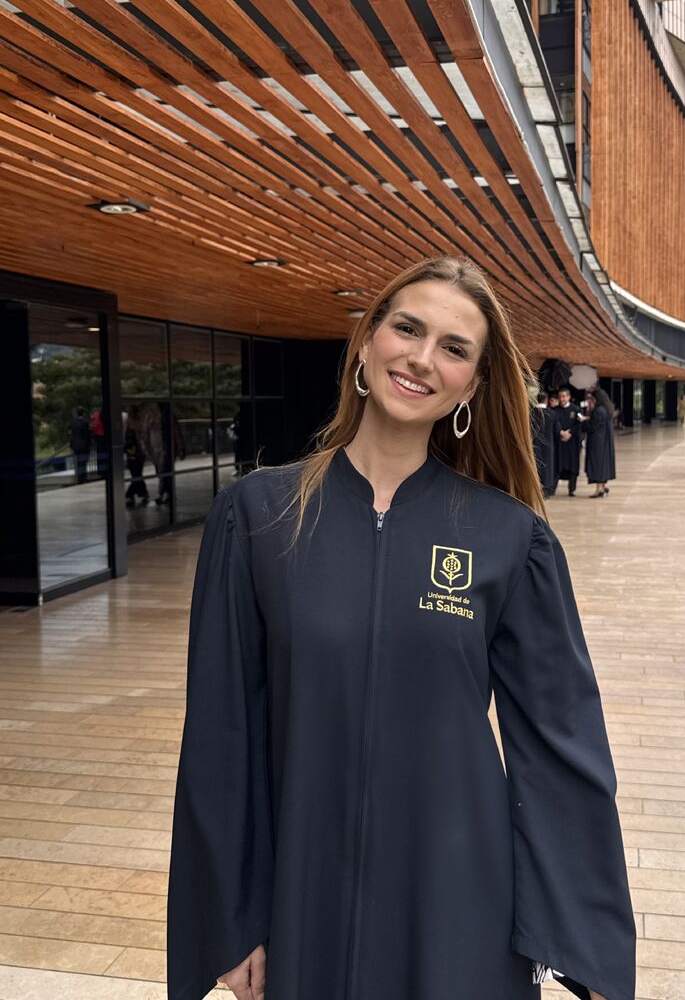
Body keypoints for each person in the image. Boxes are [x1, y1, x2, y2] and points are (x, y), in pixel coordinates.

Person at [167, 257, 636, 1000]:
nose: (422, 357)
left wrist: (584, 944)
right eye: (407, 328)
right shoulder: (259, 516)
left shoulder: (510, 537)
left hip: (462, 903)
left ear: (472, 386)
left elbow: (561, 745)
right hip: (304, 898)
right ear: (366, 341)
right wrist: (230, 916)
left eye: (455, 347)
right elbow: (224, 732)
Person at [581, 387, 616, 498]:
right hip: (604, 442)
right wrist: (589, 418)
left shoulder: (599, 410)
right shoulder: (607, 409)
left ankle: (598, 489)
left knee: (597, 465)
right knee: (603, 465)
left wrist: (584, 423)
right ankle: (603, 487)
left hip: (597, 443)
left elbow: (592, 426)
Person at [553, 386, 581, 497]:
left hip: (572, 443)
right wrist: (560, 432)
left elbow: (579, 424)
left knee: (573, 466)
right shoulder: (554, 411)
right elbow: (554, 425)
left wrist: (570, 432)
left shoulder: (576, 409)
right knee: (557, 465)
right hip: (559, 443)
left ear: (569, 397)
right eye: (560, 397)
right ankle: (552, 489)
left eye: (564, 396)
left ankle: (572, 490)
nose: (562, 399)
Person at [530, 389, 556, 498]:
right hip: (548, 445)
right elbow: (556, 430)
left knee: (535, 466)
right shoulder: (552, 413)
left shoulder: (530, 413)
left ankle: (535, 490)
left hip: (534, 444)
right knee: (548, 467)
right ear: (546, 401)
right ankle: (546, 491)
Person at [67, 407, 91, 484]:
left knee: (78, 461)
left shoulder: (72, 422)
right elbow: (87, 435)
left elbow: (69, 432)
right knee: (83, 461)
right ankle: (83, 477)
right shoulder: (85, 422)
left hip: (75, 444)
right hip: (83, 444)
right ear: (83, 414)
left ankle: (79, 477)